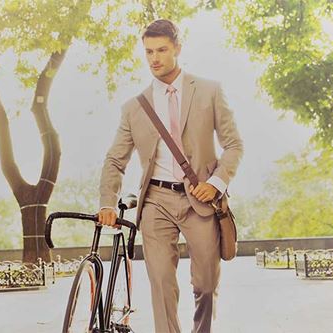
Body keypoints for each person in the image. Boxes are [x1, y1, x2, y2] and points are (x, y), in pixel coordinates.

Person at [97, 19, 243, 333]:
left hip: (201, 201)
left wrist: (215, 183)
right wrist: (107, 202)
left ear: (177, 48)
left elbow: (233, 145)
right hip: (156, 202)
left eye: (161, 50)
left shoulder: (209, 91)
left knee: (205, 283)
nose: (154, 58)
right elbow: (115, 160)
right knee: (161, 284)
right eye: (149, 51)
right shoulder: (134, 108)